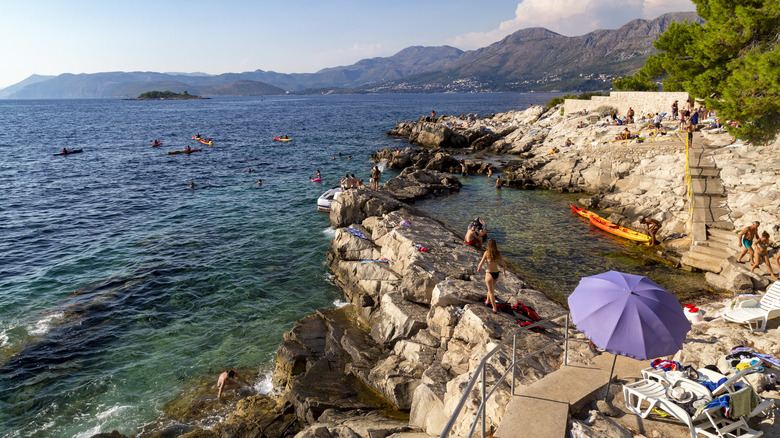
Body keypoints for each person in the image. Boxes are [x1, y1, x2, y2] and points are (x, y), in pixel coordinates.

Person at [477, 239, 507, 313]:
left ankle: (494, 309)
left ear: (488, 245)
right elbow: (504, 264)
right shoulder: (498, 253)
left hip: (489, 274)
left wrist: (479, 268)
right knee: (490, 289)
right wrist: (504, 272)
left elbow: (481, 263)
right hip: (496, 274)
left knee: (491, 292)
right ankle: (487, 302)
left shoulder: (486, 253)